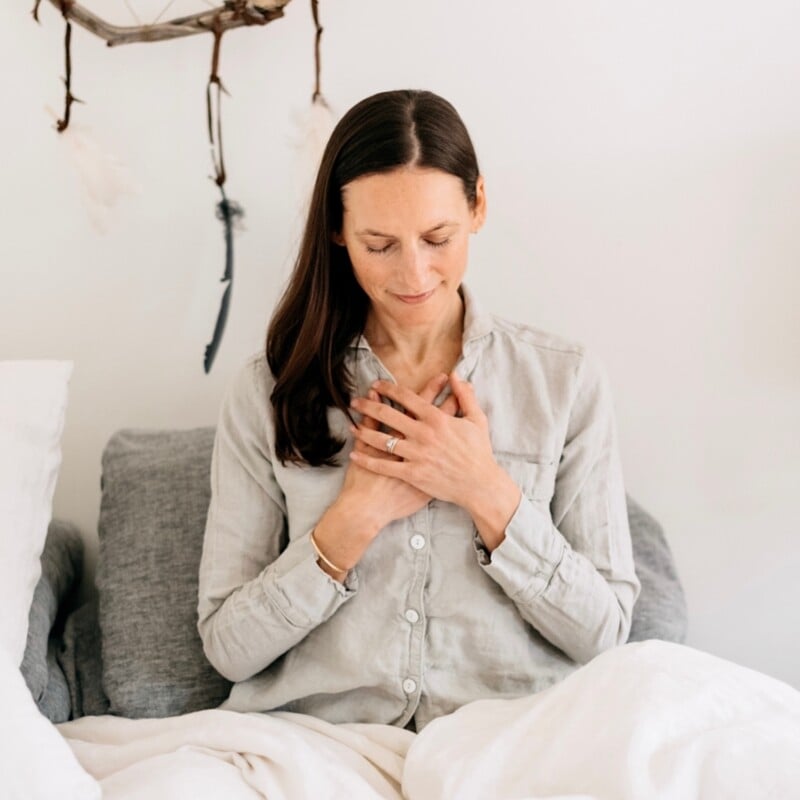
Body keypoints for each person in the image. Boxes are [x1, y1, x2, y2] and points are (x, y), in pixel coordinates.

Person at [197, 88, 641, 733]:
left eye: (438, 237)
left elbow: (604, 635)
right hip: (322, 747)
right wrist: (353, 518)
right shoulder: (270, 389)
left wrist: (486, 492)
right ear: (338, 230)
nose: (414, 272)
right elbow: (229, 649)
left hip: (511, 745)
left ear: (478, 206)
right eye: (379, 244)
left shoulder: (564, 380)